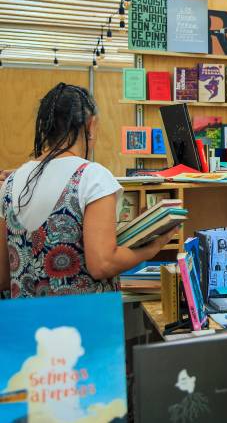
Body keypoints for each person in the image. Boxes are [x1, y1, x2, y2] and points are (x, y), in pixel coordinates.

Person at [0, 83, 175, 298]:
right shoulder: (92, 177)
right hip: (81, 324)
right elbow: (102, 264)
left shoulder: (10, 182)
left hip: (25, 325)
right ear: (90, 126)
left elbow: (3, 275)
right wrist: (153, 246)